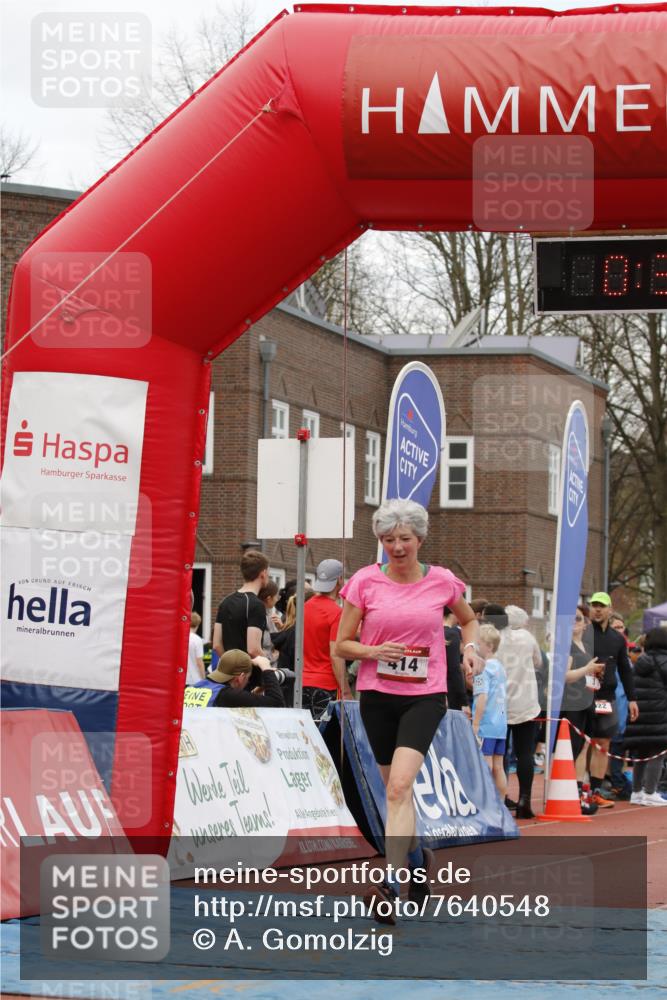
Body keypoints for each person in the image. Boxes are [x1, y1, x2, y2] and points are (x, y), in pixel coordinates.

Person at [334, 498, 479, 922]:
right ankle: (416, 862)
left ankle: (389, 884)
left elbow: (467, 620)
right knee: (393, 791)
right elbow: (341, 644)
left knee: (398, 788)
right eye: (387, 539)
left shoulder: (442, 581)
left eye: (404, 539)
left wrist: (469, 649)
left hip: (425, 695)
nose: (396, 547)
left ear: (420, 539)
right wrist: (373, 650)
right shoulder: (364, 582)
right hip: (377, 693)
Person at [584, 592, 638, 807]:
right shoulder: (584, 633)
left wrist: (632, 699)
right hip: (582, 697)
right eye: (594, 605)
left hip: (606, 698)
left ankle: (596, 789)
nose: (597, 609)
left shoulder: (617, 639)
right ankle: (581, 787)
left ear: (610, 609)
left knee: (602, 743)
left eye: (601, 606)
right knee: (583, 743)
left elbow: (625, 670)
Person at [490, 605, 542, 819]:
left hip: (500, 703)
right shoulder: (528, 638)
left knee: (499, 755)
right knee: (525, 754)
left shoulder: (494, 639)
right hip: (526, 704)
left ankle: (500, 800)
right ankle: (524, 800)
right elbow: (538, 662)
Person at [303, 559, 353, 719]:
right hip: (326, 685)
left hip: (303, 683)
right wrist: (345, 690)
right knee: (327, 739)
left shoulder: (304, 607)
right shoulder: (336, 613)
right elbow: (335, 654)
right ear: (339, 580)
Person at [623, 627, 667, 806]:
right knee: (657, 753)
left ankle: (636, 792)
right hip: (660, 713)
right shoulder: (664, 661)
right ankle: (650, 792)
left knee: (641, 754)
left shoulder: (641, 661)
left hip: (640, 713)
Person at [212, 550, 270, 686]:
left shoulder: (225, 602)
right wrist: (267, 666)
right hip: (250, 679)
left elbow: (216, 644)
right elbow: (253, 649)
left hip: (228, 678)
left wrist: (231, 667)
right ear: (263, 573)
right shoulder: (256, 605)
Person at [472, 623, 507, 800]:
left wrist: (476, 724)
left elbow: (482, 697)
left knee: (485, 764)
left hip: (487, 724)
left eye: (479, 643)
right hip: (500, 724)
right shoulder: (500, 668)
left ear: (489, 646)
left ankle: (485, 802)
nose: (476, 646)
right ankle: (500, 802)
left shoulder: (483, 668)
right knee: (498, 766)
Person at [184, 649, 285, 708]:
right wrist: (266, 668)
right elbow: (277, 703)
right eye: (248, 678)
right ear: (240, 678)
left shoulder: (192, 688)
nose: (248, 682)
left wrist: (258, 690)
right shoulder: (226, 695)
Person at [443, 605, 467, 712]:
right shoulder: (452, 634)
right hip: (450, 689)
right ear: (453, 614)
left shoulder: (435, 631)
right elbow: (454, 667)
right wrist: (463, 700)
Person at [258, 580, 282, 661]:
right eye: (276, 596)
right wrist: (274, 656)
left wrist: (281, 628)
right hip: (266, 666)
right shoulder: (263, 618)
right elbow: (266, 645)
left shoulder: (270, 616)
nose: (277, 599)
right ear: (268, 598)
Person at [186, 611, 206, 685]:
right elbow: (199, 662)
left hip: (181, 679)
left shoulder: (180, 638)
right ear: (198, 624)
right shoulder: (197, 640)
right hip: (194, 680)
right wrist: (204, 679)